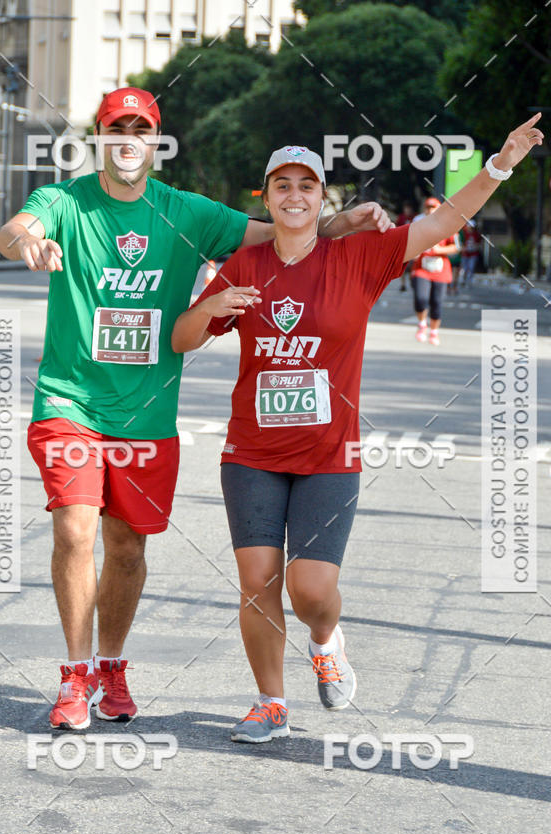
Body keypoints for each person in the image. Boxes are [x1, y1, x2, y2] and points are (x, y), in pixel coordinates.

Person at [0, 87, 393, 731]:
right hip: (68, 400)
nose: (129, 137)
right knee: (75, 529)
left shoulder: (186, 211)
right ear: (99, 137)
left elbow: (275, 230)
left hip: (148, 415)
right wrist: (27, 244)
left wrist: (339, 223)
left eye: (141, 128)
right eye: (116, 127)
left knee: (126, 546)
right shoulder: (64, 201)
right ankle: (73, 678)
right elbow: (15, 228)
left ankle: (111, 669)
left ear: (156, 142)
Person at [172, 114, 543, 743]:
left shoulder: (360, 257)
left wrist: (501, 163)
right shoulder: (245, 263)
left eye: (306, 186)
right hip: (251, 452)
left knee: (310, 589)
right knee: (259, 581)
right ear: (266, 197)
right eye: (282, 186)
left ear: (323, 199)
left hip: (328, 455)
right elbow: (181, 340)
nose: (294, 196)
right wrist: (207, 307)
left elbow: (443, 221)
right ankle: (269, 702)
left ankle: (325, 640)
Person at [411, 197, 458, 346]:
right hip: (421, 267)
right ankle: (422, 324)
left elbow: (456, 247)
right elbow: (409, 241)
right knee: (421, 298)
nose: (431, 210)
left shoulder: (449, 225)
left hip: (440, 269)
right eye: (428, 208)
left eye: (434, 207)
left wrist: (439, 249)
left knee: (436, 302)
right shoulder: (418, 222)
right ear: (425, 210)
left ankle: (434, 332)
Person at [396, 202, 415, 291]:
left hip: (412, 244)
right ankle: (403, 284)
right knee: (402, 265)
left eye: (409, 209)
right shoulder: (401, 218)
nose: (407, 211)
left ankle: (412, 280)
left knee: (411, 265)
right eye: (406, 209)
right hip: (403, 245)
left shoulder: (415, 218)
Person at [460, 220, 482, 288]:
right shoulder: (464, 234)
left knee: (471, 267)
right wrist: (463, 248)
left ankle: (469, 281)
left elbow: (479, 243)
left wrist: (476, 246)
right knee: (464, 268)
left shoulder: (476, 234)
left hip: (474, 254)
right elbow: (461, 242)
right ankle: (463, 280)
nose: (469, 228)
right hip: (465, 253)